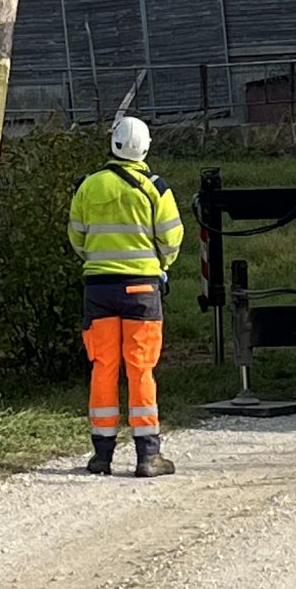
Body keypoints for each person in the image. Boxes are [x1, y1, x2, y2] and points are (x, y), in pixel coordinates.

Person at [68, 115, 185, 477]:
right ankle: (148, 456)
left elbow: (77, 237)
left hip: (99, 289)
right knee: (140, 368)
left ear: (113, 143)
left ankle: (101, 456)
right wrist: (160, 265)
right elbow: (172, 237)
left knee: (103, 367)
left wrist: (100, 262)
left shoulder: (88, 186)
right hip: (142, 290)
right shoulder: (155, 188)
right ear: (146, 147)